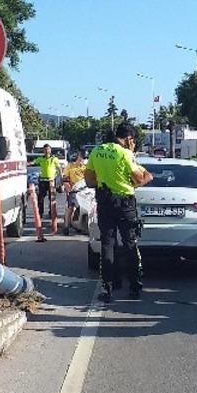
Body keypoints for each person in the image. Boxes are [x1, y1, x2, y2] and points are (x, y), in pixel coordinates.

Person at [85, 123, 153, 303]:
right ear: (129, 138)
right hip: (125, 204)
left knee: (107, 245)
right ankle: (134, 286)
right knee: (130, 243)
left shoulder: (97, 151)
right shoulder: (126, 154)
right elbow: (140, 178)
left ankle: (107, 288)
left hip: (105, 202)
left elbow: (89, 181)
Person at [32, 145, 62, 220]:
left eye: (48, 149)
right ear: (43, 150)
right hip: (42, 180)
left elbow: (59, 168)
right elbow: (33, 162)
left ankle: (51, 213)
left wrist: (61, 178)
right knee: (41, 197)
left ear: (50, 150)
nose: (46, 151)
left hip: (51, 180)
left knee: (51, 198)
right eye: (45, 150)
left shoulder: (54, 159)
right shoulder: (41, 159)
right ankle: (40, 213)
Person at [62, 151, 87, 236]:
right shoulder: (70, 167)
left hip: (85, 190)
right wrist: (68, 188)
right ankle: (66, 226)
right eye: (80, 159)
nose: (82, 160)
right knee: (71, 207)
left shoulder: (85, 168)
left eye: (83, 159)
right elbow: (65, 179)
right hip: (74, 190)